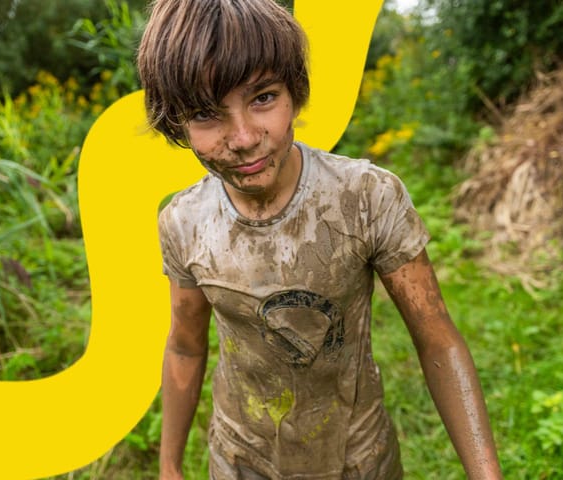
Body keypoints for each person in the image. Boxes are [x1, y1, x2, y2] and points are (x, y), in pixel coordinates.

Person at [137, 0, 504, 478]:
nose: (244, 136)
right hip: (240, 461)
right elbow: (185, 346)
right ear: (176, 122)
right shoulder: (183, 222)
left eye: (263, 97)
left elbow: (437, 340)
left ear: (295, 91)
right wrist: (169, 467)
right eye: (209, 115)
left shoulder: (366, 197)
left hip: (358, 459)